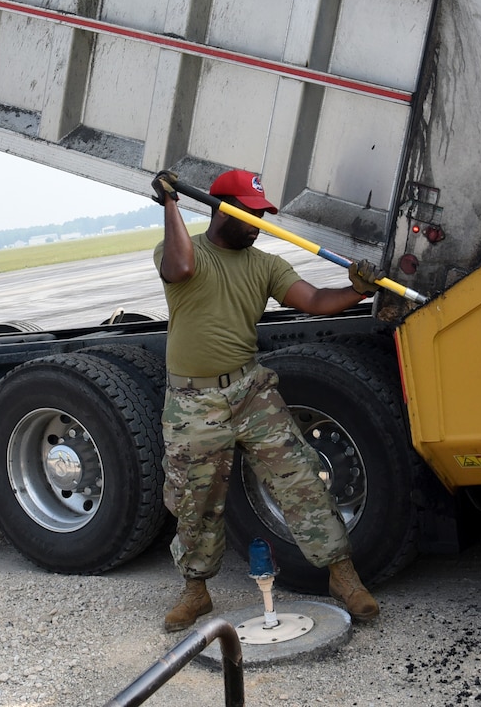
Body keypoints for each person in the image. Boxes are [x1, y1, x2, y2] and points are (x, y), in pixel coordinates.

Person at [150, 167, 379, 632]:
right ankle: (195, 592)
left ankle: (343, 577)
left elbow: (313, 299)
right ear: (220, 210)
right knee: (196, 501)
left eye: (262, 214)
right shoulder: (183, 251)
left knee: (301, 481)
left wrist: (357, 290)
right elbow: (182, 269)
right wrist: (171, 204)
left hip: (252, 391)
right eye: (249, 213)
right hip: (194, 403)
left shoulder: (265, 264)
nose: (257, 223)